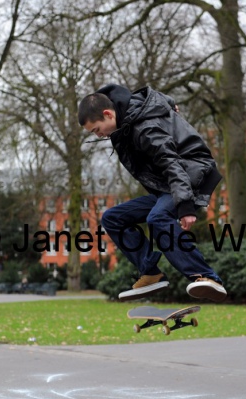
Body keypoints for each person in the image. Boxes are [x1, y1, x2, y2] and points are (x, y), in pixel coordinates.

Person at [78, 84, 227, 302]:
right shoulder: (128, 118)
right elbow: (143, 97)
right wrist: (169, 101)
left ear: (108, 114)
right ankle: (150, 273)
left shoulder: (144, 126)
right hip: (168, 186)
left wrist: (185, 205)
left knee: (157, 218)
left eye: (97, 129)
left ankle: (206, 276)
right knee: (113, 218)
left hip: (190, 176)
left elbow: (171, 162)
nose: (100, 135)